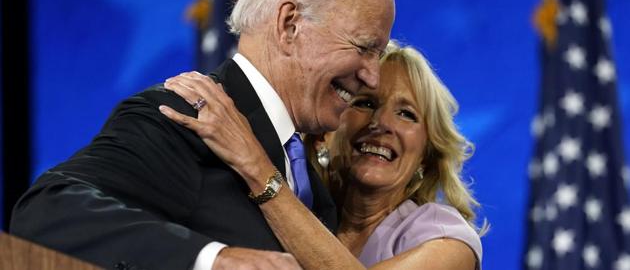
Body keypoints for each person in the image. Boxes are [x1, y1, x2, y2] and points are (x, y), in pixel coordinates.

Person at [10, 0, 396, 270]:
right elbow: (47, 213)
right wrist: (214, 259)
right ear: (289, 24)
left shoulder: (308, 175)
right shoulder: (186, 115)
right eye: (364, 47)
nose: (372, 76)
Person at [160, 42, 484, 269]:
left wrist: (255, 167)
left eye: (407, 114)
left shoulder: (448, 241)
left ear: (427, 154)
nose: (381, 124)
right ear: (325, 134)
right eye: (365, 103)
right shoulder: (299, 206)